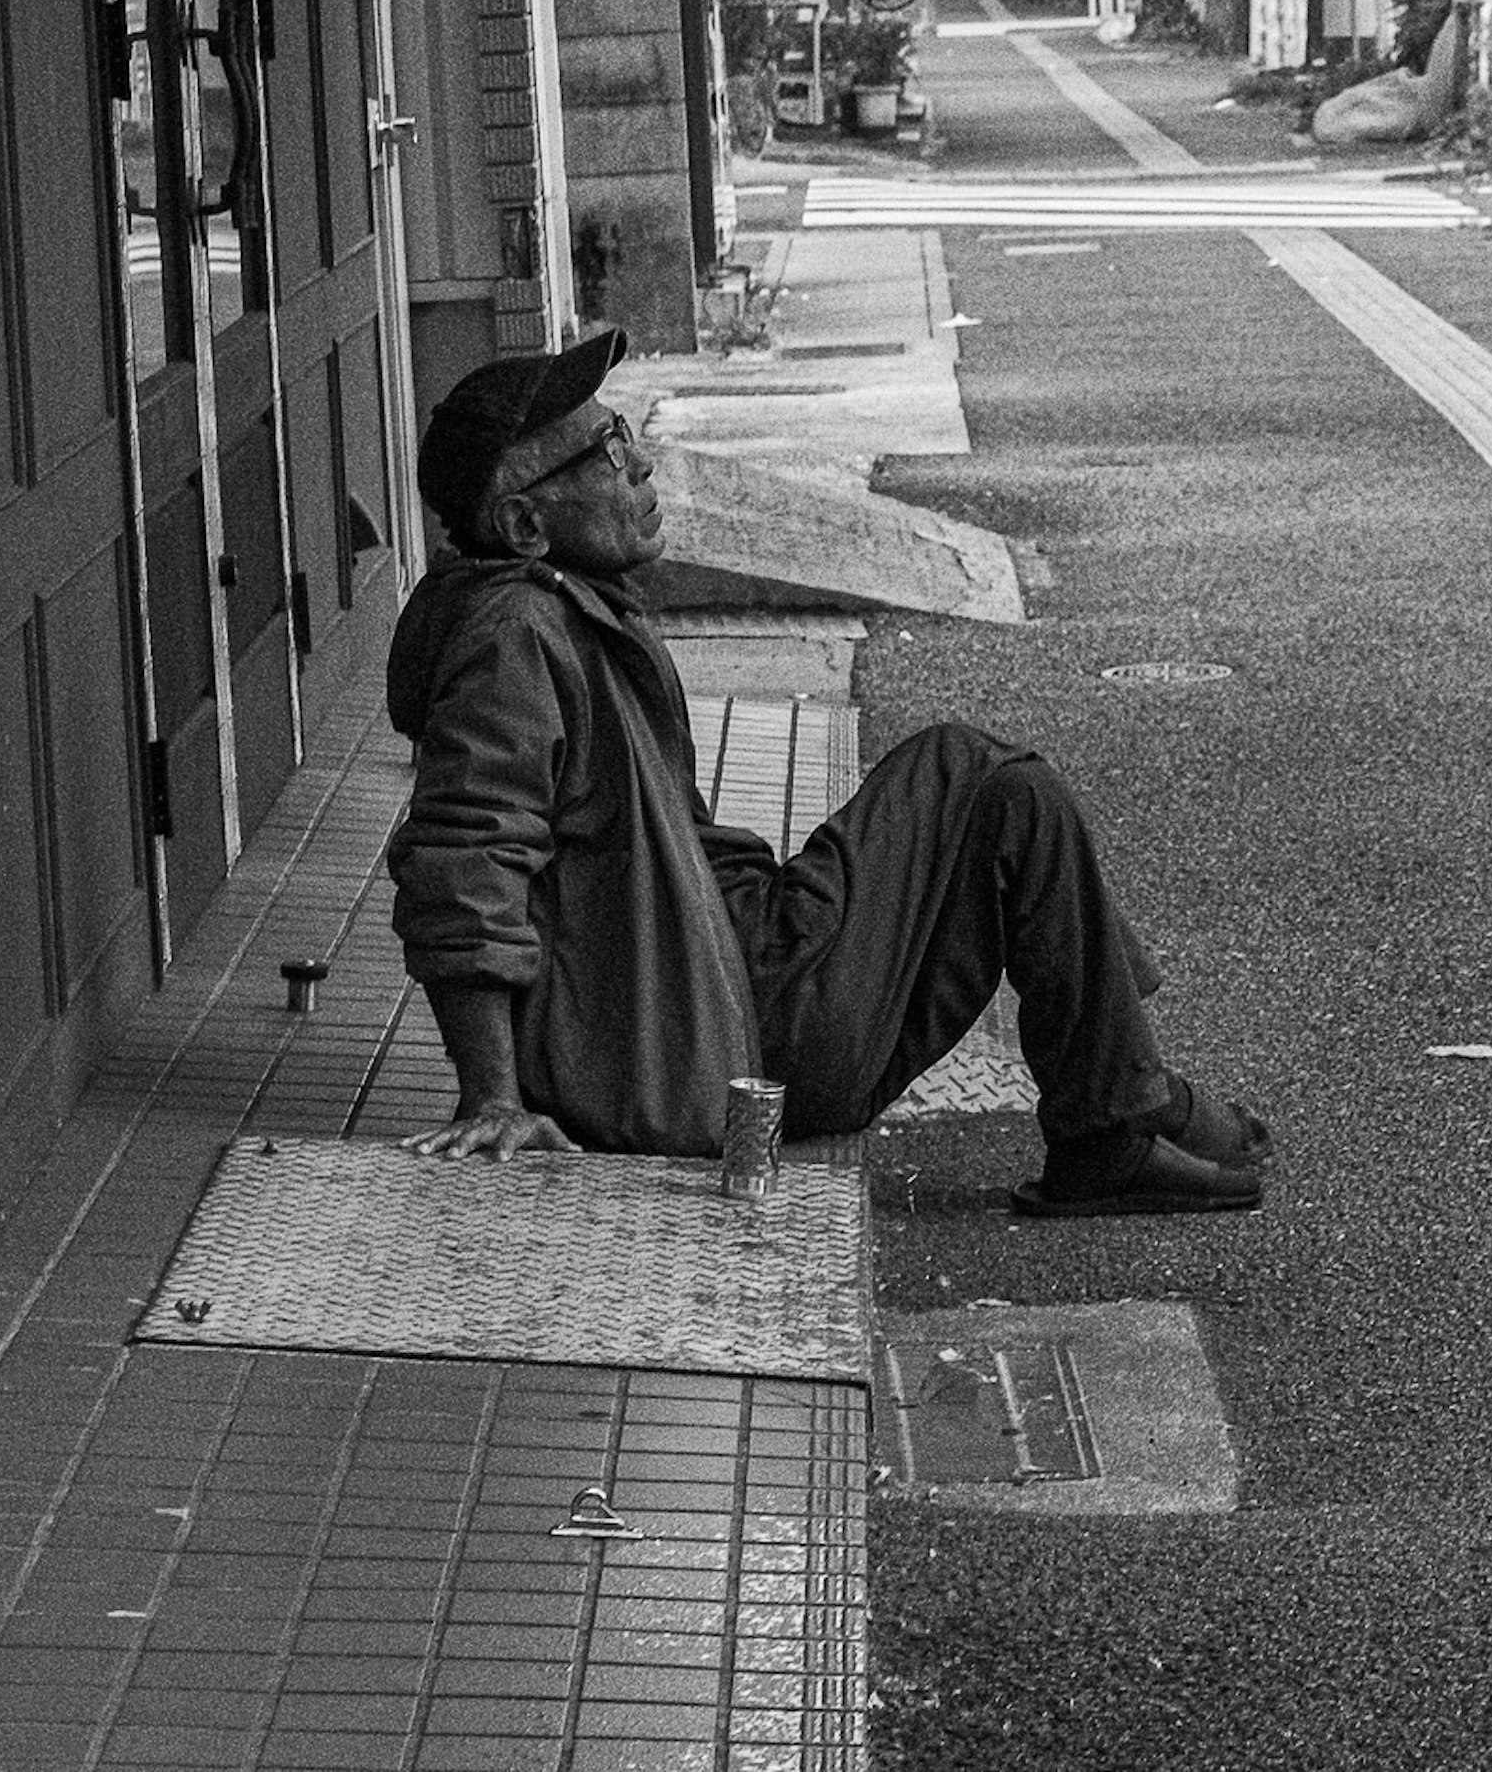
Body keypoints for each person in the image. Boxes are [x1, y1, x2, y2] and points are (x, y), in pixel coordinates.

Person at [381, 329, 1270, 1216]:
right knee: (982, 779)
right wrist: (493, 1095)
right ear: (525, 525)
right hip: (723, 1026)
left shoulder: (569, 607)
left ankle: (1124, 1102)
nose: (640, 464)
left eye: (628, 433)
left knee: (999, 792)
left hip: (738, 961)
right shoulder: (513, 638)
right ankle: (1124, 1109)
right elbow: (465, 855)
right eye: (608, 450)